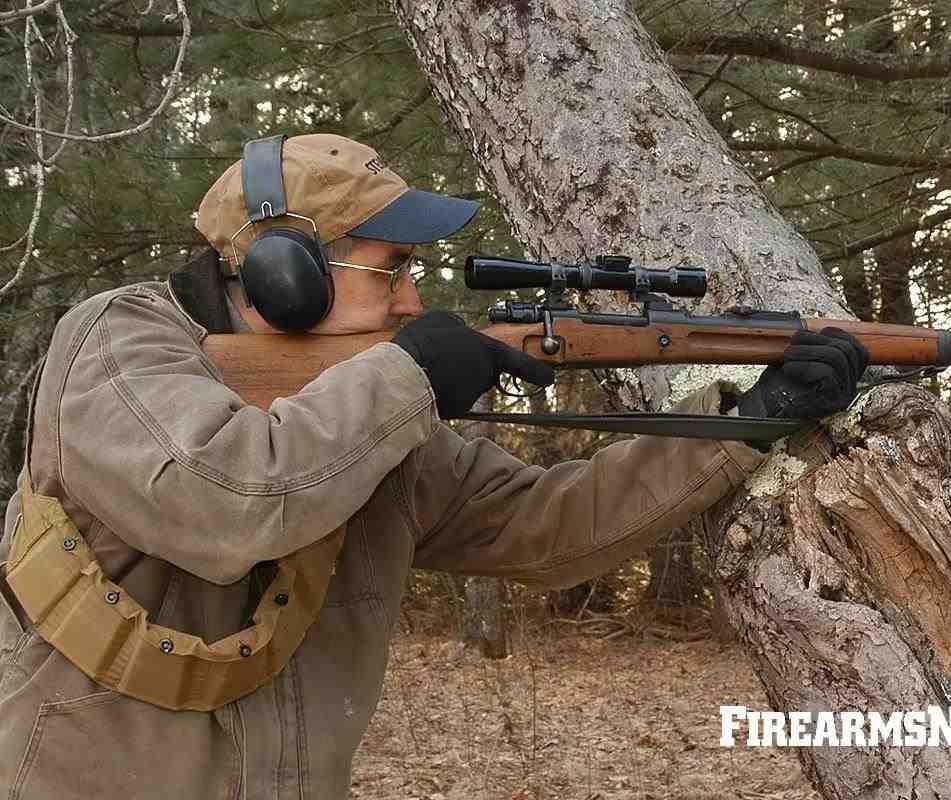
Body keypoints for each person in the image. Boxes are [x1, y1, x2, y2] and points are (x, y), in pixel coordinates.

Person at [0, 134, 867, 799]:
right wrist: (410, 375)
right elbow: (224, 498)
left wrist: (747, 422)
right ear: (283, 276)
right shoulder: (121, 339)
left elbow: (546, 524)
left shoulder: (372, 406)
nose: (413, 300)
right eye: (392, 270)